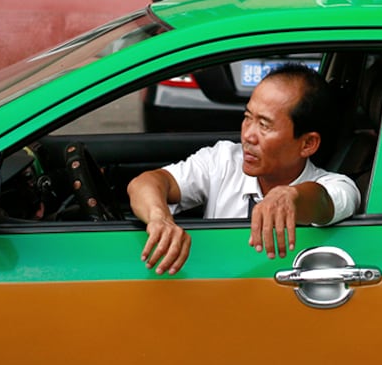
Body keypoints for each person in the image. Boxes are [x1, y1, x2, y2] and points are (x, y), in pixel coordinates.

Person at [127, 63, 359, 274]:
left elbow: (322, 202)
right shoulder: (224, 160)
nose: (248, 135)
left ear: (307, 143)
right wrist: (160, 218)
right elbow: (145, 183)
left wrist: (289, 196)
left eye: (264, 125)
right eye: (248, 118)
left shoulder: (338, 186)